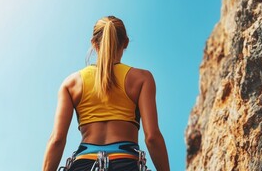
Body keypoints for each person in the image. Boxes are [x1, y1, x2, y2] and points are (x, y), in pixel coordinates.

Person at [42, 16, 170, 171]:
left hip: (83, 165)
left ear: (94, 43)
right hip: (126, 163)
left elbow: (57, 140)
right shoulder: (142, 79)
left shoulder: (71, 83)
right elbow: (152, 137)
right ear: (126, 43)